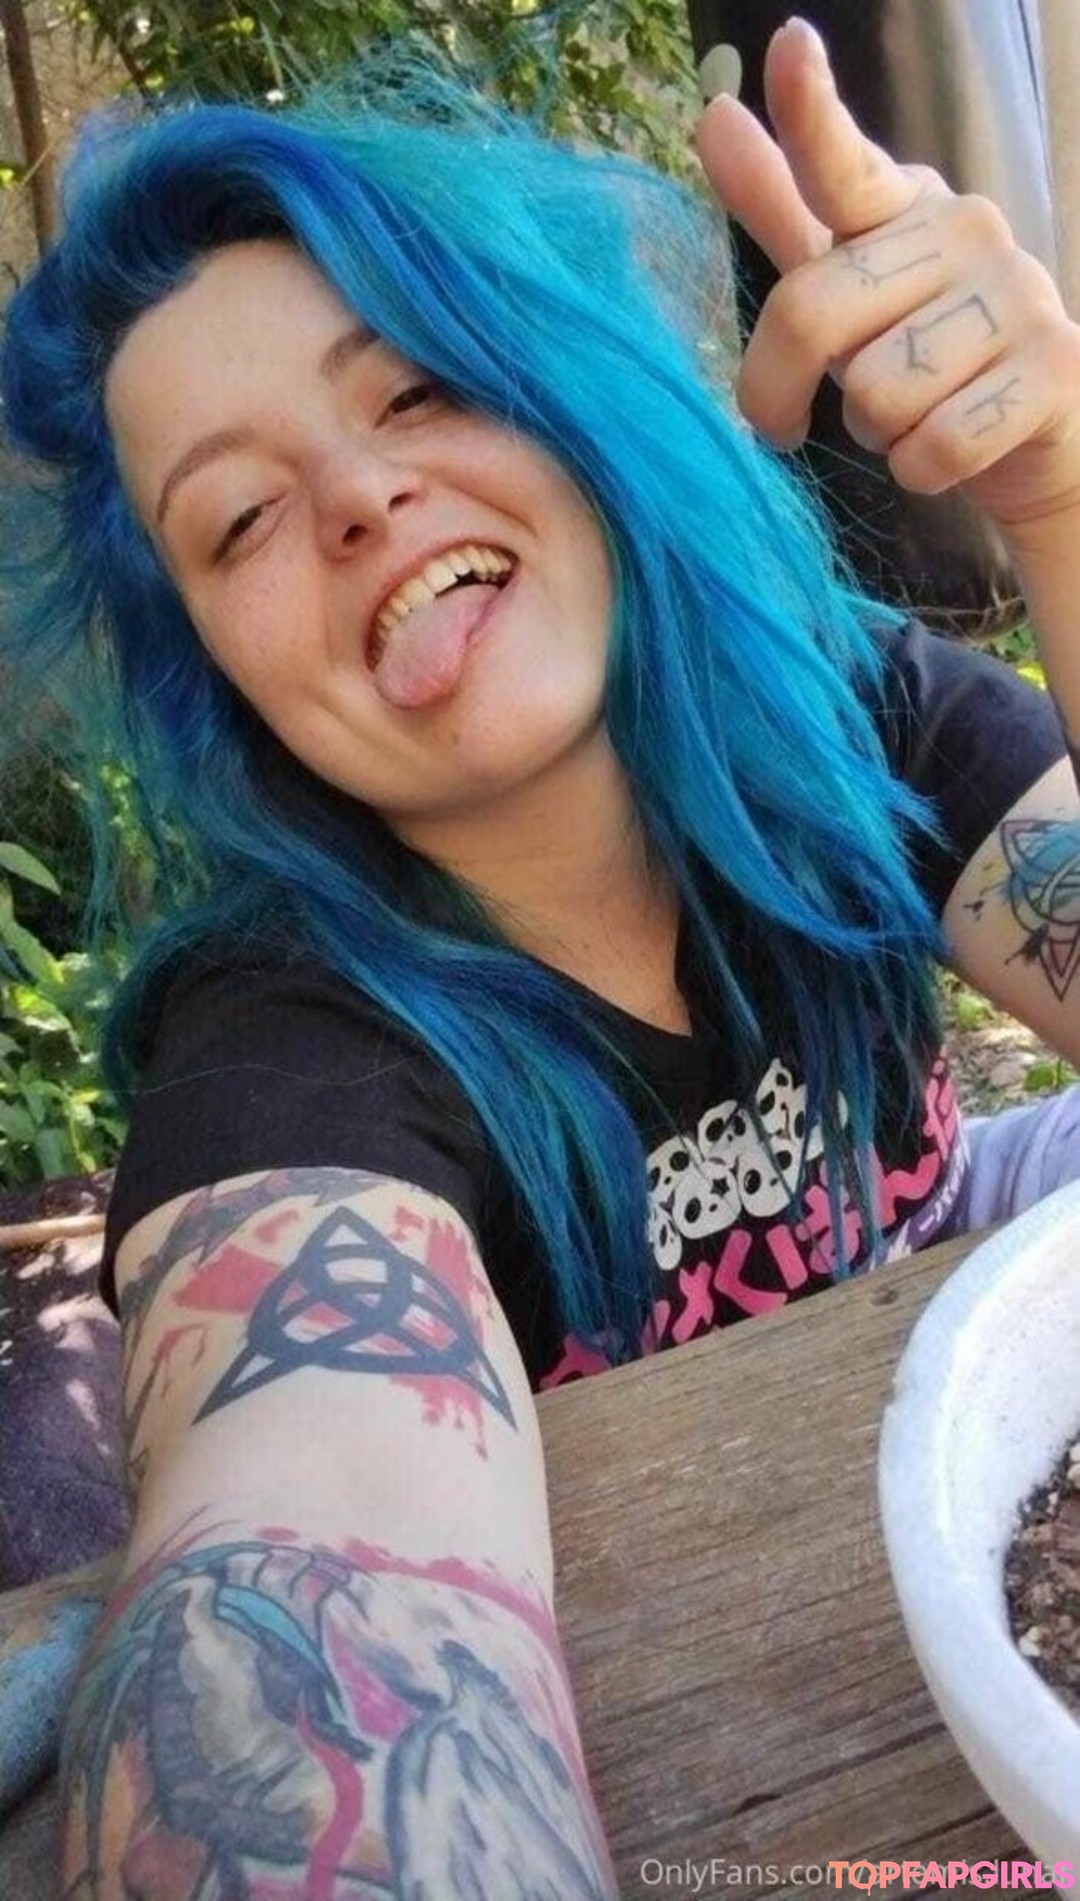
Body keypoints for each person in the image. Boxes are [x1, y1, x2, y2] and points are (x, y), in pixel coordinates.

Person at [2, 15, 1079, 1893]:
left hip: (942, 1287)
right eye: (240, 518)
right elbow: (303, 1520)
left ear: (566, 400)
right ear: (218, 672)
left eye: (418, 389)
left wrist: (1061, 503)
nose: (357, 498)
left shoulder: (843, 710)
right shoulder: (282, 1053)